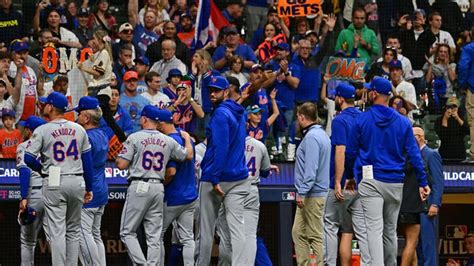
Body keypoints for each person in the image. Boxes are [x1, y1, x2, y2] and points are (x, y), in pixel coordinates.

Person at [345, 77, 430, 266]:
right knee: (390, 230)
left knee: (374, 230)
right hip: (395, 182)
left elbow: (350, 152)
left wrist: (349, 175)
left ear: (374, 93)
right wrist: (423, 182)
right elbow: (415, 154)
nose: (366, 93)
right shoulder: (403, 122)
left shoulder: (361, 119)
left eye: (369, 90)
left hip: (371, 179)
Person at [117, 104, 193, 265]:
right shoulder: (168, 140)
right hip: (158, 187)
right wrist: (187, 139)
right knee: (154, 236)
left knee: (127, 232)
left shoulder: (134, 137)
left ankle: (142, 264)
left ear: (144, 119)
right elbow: (187, 155)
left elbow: (121, 165)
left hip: (139, 184)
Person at [24, 92, 94, 265]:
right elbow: (87, 161)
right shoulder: (79, 129)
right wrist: (89, 187)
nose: (44, 106)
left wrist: (42, 170)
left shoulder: (42, 129)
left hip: (54, 180)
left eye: (46, 103)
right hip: (76, 180)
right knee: (73, 231)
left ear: (52, 107)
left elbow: (28, 158)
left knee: (57, 231)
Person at [196, 75, 250, 265]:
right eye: (210, 90)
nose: (212, 93)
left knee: (206, 231)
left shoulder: (220, 114)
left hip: (217, 178)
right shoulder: (239, 112)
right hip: (239, 177)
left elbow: (221, 147)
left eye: (216, 90)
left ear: (226, 92)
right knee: (235, 230)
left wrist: (215, 177)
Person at [324, 83, 361, 266]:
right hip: (362, 182)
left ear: (340, 98)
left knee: (329, 224)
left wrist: (338, 180)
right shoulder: (363, 117)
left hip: (345, 182)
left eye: (335, 97)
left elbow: (341, 150)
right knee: (363, 229)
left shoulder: (340, 120)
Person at [156, 108, 198, 266]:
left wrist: (160, 183)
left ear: (161, 124)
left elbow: (171, 172)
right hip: (190, 196)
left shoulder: (168, 141)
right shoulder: (186, 137)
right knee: (188, 238)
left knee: (157, 236)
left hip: (172, 197)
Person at [292, 102, 331, 266]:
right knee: (298, 232)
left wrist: (302, 192)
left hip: (312, 194)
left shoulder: (312, 137)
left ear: (301, 117)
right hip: (311, 193)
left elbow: (311, 170)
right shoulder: (321, 134)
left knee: (314, 235)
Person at [74, 97, 109, 266]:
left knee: (83, 233)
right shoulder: (102, 133)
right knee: (95, 234)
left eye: (79, 114)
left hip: (89, 191)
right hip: (101, 188)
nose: (77, 117)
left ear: (86, 118)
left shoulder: (85, 137)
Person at [78, 30, 127, 143]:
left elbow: (98, 73)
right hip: (100, 91)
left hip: (100, 91)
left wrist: (82, 68)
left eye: (94, 38)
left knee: (86, 113)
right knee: (108, 119)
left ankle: (122, 140)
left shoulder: (104, 53)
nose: (93, 41)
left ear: (99, 40)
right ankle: (123, 139)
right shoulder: (100, 54)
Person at [17, 116, 47, 266]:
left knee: (28, 241)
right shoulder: (50, 145)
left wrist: (23, 197)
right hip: (53, 194)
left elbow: (25, 172)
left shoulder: (24, 146)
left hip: (34, 195)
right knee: (57, 237)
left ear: (29, 130)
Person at [413, 125, 445, 266]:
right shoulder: (410, 156)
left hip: (428, 206)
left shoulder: (431, 154)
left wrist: (435, 204)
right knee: (417, 245)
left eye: (412, 135)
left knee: (428, 244)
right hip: (413, 207)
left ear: (420, 137)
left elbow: (438, 182)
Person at [434, 97, 469, 162]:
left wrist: (457, 118)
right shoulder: (439, 120)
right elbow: (443, 136)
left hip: (459, 153)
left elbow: (468, 131)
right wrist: (445, 119)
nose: (451, 109)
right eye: (449, 107)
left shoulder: (462, 119)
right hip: (445, 153)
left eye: (453, 107)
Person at [458, 35, 474, 161]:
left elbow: (463, 67)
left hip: (473, 88)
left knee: (473, 122)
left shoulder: (469, 48)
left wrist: (463, 84)